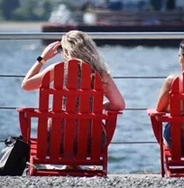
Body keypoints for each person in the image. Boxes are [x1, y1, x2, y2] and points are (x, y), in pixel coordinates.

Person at [21, 30, 125, 166]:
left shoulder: (56, 69)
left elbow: (26, 85)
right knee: (83, 126)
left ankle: (69, 165)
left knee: (64, 124)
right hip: (90, 143)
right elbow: (119, 104)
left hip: (54, 141)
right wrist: (99, 106)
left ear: (66, 51)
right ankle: (73, 165)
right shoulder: (100, 73)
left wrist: (42, 59)